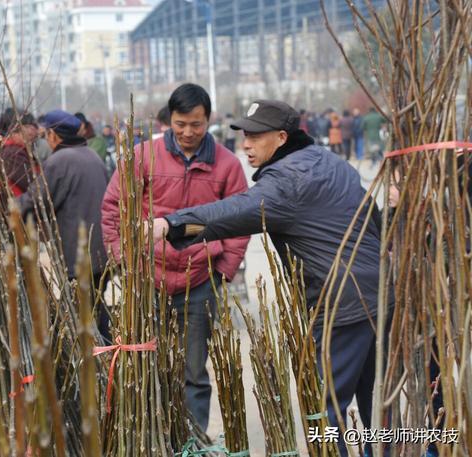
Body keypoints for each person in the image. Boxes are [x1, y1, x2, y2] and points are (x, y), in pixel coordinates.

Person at [151, 99, 391, 456]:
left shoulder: (288, 180)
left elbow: (232, 212)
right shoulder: (327, 161)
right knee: (376, 402)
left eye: (255, 136)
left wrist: (170, 223)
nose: (245, 144)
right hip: (380, 293)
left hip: (342, 302)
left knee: (329, 408)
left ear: (281, 137)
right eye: (244, 135)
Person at [101, 83, 250, 431]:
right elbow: (113, 207)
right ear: (170, 120)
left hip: (199, 280)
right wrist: (123, 258)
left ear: (208, 121)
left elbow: (241, 219)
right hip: (147, 279)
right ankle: (153, 435)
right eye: (180, 124)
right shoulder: (143, 156)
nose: (187, 132)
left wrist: (223, 271)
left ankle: (193, 440)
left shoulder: (226, 165)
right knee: (145, 362)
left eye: (196, 124)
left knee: (194, 370)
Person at [19, 109, 110, 339]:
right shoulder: (91, 155)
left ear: (53, 135)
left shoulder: (59, 161)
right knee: (96, 309)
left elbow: (34, 200)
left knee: (84, 316)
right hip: (103, 253)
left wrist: (6, 210)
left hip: (78, 254)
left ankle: (96, 365)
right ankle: (106, 358)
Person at [0, 108, 40, 196]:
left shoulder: (7, 149)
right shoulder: (13, 154)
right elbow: (34, 185)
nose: (33, 131)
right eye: (28, 126)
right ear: (13, 131)